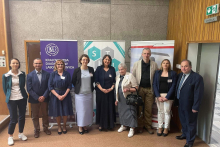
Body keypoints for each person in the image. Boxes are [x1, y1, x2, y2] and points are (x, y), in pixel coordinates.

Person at [175, 59, 204, 147]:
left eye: (186, 66)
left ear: (190, 67)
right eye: (182, 66)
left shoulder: (197, 77)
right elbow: (178, 89)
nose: (183, 68)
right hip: (180, 103)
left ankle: (190, 141)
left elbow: (198, 94)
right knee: (183, 121)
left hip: (190, 106)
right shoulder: (180, 75)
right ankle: (184, 134)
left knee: (190, 123)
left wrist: (195, 107)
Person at [2, 58, 28, 146]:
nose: (15, 64)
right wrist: (9, 96)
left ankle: (21, 133)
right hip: (11, 99)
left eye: (17, 63)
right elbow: (5, 89)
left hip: (22, 98)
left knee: (22, 116)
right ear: (10, 64)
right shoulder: (5, 75)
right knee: (13, 118)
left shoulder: (22, 74)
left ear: (19, 64)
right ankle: (10, 136)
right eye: (13, 63)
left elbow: (22, 86)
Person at [132, 48, 158, 134]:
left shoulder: (154, 64)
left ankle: (148, 126)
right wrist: (135, 88)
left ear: (150, 54)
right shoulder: (136, 64)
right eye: (145, 53)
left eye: (148, 53)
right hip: (140, 89)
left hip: (150, 89)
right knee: (139, 108)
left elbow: (157, 77)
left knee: (148, 108)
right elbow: (133, 77)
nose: (146, 55)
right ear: (142, 54)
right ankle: (140, 126)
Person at [26, 58, 51, 138]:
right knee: (35, 115)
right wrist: (37, 97)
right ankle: (36, 130)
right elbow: (29, 89)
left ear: (42, 64)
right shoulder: (29, 75)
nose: (38, 65)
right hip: (34, 99)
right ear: (33, 64)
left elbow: (49, 87)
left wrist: (44, 96)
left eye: (39, 63)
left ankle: (46, 128)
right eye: (36, 63)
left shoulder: (47, 74)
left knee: (45, 114)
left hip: (45, 98)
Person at [48, 59, 73, 135]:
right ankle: (59, 126)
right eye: (58, 64)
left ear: (64, 65)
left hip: (66, 94)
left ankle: (64, 126)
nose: (60, 65)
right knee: (57, 111)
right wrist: (58, 95)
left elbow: (69, 85)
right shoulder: (52, 74)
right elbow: (50, 86)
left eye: (61, 64)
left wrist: (64, 95)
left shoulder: (67, 74)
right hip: (56, 95)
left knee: (65, 111)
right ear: (56, 65)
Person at [152, 59, 177, 137]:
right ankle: (160, 127)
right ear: (161, 64)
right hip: (159, 96)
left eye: (167, 63)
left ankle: (166, 128)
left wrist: (167, 97)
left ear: (169, 65)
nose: (165, 64)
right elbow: (154, 84)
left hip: (168, 97)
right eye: (164, 63)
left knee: (167, 112)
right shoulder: (157, 73)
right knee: (160, 111)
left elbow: (174, 86)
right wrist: (158, 96)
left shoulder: (173, 73)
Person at [72, 54, 95, 135]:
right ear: (80, 61)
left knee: (88, 111)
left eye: (86, 59)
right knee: (81, 111)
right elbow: (73, 81)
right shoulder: (77, 70)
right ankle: (80, 126)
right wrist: (79, 87)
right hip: (80, 95)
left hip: (89, 94)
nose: (85, 61)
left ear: (88, 61)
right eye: (83, 59)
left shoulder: (91, 69)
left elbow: (93, 80)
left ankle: (85, 125)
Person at [115, 63, 138, 138]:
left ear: (125, 69)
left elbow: (136, 87)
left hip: (129, 98)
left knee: (131, 113)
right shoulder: (117, 77)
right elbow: (117, 89)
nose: (120, 71)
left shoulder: (130, 76)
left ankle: (132, 128)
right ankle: (123, 125)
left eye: (122, 69)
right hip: (121, 98)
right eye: (119, 70)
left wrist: (128, 89)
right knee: (122, 112)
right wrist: (116, 99)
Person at [95, 55, 116, 131]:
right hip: (100, 92)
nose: (107, 61)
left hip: (110, 92)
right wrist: (102, 89)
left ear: (110, 61)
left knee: (109, 107)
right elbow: (96, 81)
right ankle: (101, 124)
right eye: (106, 59)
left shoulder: (112, 69)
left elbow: (114, 81)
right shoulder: (99, 69)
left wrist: (111, 89)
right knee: (101, 108)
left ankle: (110, 125)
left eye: (109, 60)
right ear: (103, 60)